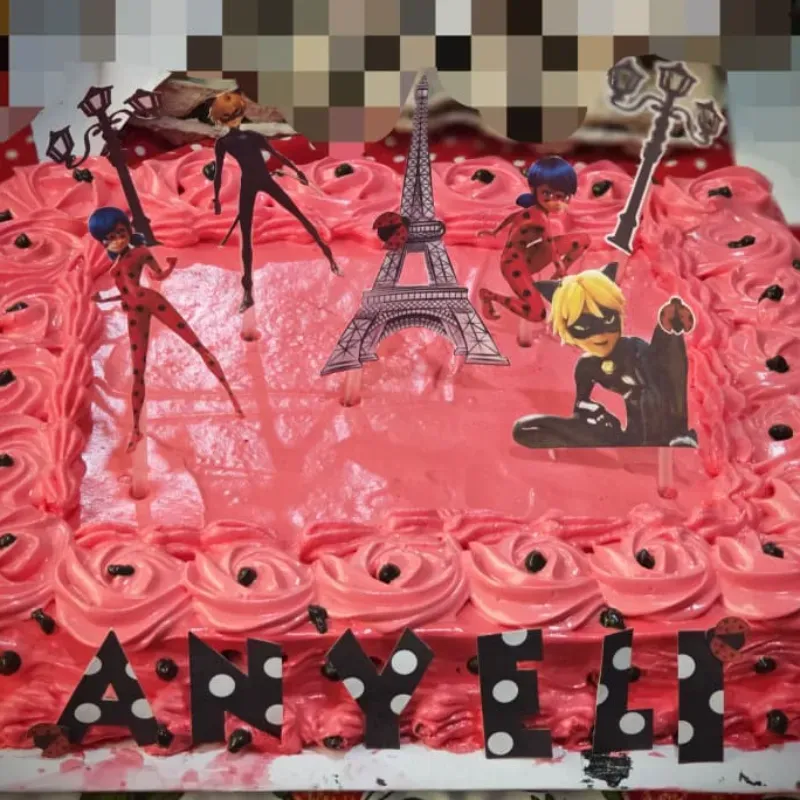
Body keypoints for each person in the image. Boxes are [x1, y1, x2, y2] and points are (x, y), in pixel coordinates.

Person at [88, 207, 243, 453]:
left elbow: (158, 276)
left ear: (127, 229)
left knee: (195, 343)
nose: (117, 239)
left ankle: (231, 396)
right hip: (133, 313)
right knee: (138, 370)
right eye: (109, 237)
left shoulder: (140, 252)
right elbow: (124, 292)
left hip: (150, 300)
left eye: (120, 232)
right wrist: (103, 299)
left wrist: (170, 266)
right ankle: (137, 430)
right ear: (102, 241)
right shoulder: (115, 264)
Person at [512, 262, 698, 449]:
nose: (599, 334)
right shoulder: (587, 367)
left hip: (664, 434)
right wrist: (592, 410)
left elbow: (668, 374)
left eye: (608, 319)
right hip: (624, 439)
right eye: (583, 327)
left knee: (669, 348)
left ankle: (680, 434)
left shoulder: (636, 350)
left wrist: (666, 330)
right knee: (526, 428)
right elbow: (581, 405)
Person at [209, 90, 340, 313]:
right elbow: (220, 172)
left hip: (258, 181)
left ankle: (330, 258)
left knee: (294, 218)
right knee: (249, 239)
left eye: (236, 112)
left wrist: (297, 170)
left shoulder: (241, 139)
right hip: (252, 183)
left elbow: (277, 156)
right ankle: (248, 292)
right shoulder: (232, 141)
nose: (235, 117)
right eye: (232, 114)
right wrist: (217, 198)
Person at [477, 156, 590, 324]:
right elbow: (549, 244)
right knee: (537, 314)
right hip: (513, 264)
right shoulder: (540, 218)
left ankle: (555, 279)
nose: (555, 201)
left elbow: (513, 217)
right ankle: (490, 296)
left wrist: (495, 231)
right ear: (533, 189)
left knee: (583, 239)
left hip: (528, 255)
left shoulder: (533, 210)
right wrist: (560, 268)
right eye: (547, 194)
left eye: (561, 196)